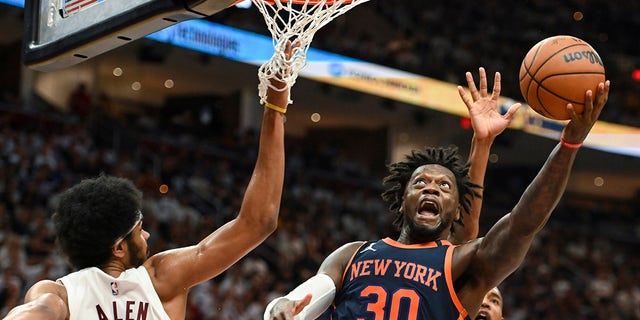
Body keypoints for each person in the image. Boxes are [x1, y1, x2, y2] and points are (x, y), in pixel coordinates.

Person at [264, 68, 610, 320]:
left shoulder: (463, 265)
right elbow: (315, 291)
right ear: (403, 199)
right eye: (420, 183)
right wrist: (287, 303)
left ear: (457, 208)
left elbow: (523, 223)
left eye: (445, 187)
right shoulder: (351, 255)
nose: (431, 187)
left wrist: (569, 144)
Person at [3, 44, 296, 320]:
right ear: (119, 247)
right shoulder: (160, 278)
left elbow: (35, 310)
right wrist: (274, 113)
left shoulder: (59, 293)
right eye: (139, 230)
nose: (146, 237)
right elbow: (258, 222)